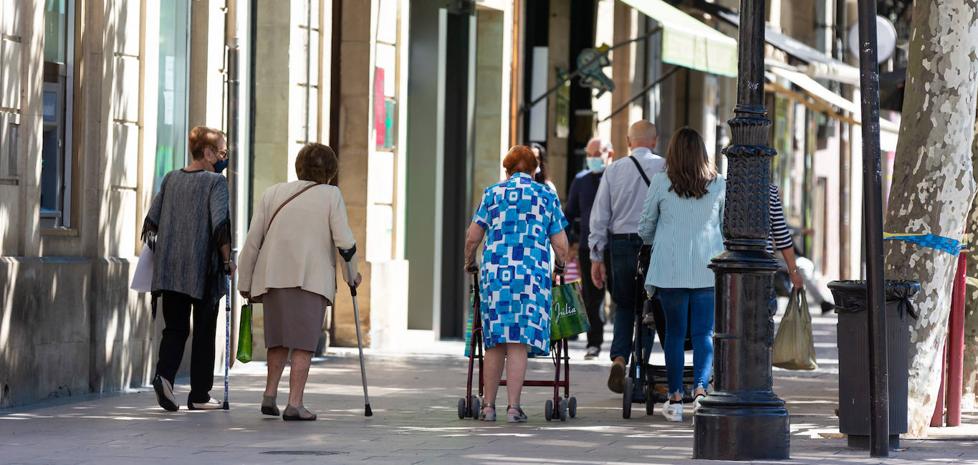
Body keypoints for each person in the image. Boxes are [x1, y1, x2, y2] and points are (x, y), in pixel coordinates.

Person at [237, 143, 362, 421]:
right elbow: (345, 242)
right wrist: (351, 275)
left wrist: (244, 279)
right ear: (330, 171)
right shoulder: (331, 195)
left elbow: (253, 240)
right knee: (303, 342)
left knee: (278, 339)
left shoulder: (273, 193)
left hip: (273, 276)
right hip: (310, 279)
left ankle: (269, 395)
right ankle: (295, 403)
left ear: (299, 166)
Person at [464, 145, 570, 423]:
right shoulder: (545, 194)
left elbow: (473, 237)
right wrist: (560, 265)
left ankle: (487, 406)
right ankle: (513, 407)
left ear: (507, 169)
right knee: (518, 342)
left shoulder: (492, 193)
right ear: (534, 169)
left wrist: (470, 262)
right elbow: (560, 243)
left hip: (496, 276)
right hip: (530, 277)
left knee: (494, 341)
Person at [638, 127, 725, 423]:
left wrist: (653, 239)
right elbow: (726, 226)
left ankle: (675, 397)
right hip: (707, 268)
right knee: (704, 334)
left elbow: (645, 226)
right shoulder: (719, 185)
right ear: (703, 153)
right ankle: (700, 391)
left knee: (673, 334)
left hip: (670, 270)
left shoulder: (661, 183)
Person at [143, 126, 233, 412]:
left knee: (175, 328)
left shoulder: (171, 178)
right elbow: (220, 225)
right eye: (221, 152)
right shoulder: (214, 182)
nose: (224, 157)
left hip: (170, 269)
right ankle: (200, 394)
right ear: (207, 153)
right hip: (203, 269)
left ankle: (165, 377)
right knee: (205, 331)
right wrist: (228, 260)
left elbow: (151, 221)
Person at [588, 120, 664, 393]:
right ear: (654, 141)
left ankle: (619, 357)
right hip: (654, 244)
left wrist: (596, 256)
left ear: (629, 141)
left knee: (622, 303)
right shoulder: (665, 168)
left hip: (620, 244)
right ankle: (639, 367)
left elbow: (600, 216)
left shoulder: (614, 170)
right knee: (649, 305)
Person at [565, 137, 613, 360]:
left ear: (608, 154)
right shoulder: (580, 180)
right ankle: (594, 343)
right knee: (592, 297)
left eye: (597, 153)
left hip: (615, 245)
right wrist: (570, 242)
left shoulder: (616, 178)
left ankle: (623, 347)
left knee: (619, 293)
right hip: (587, 246)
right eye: (589, 154)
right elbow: (570, 213)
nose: (593, 158)